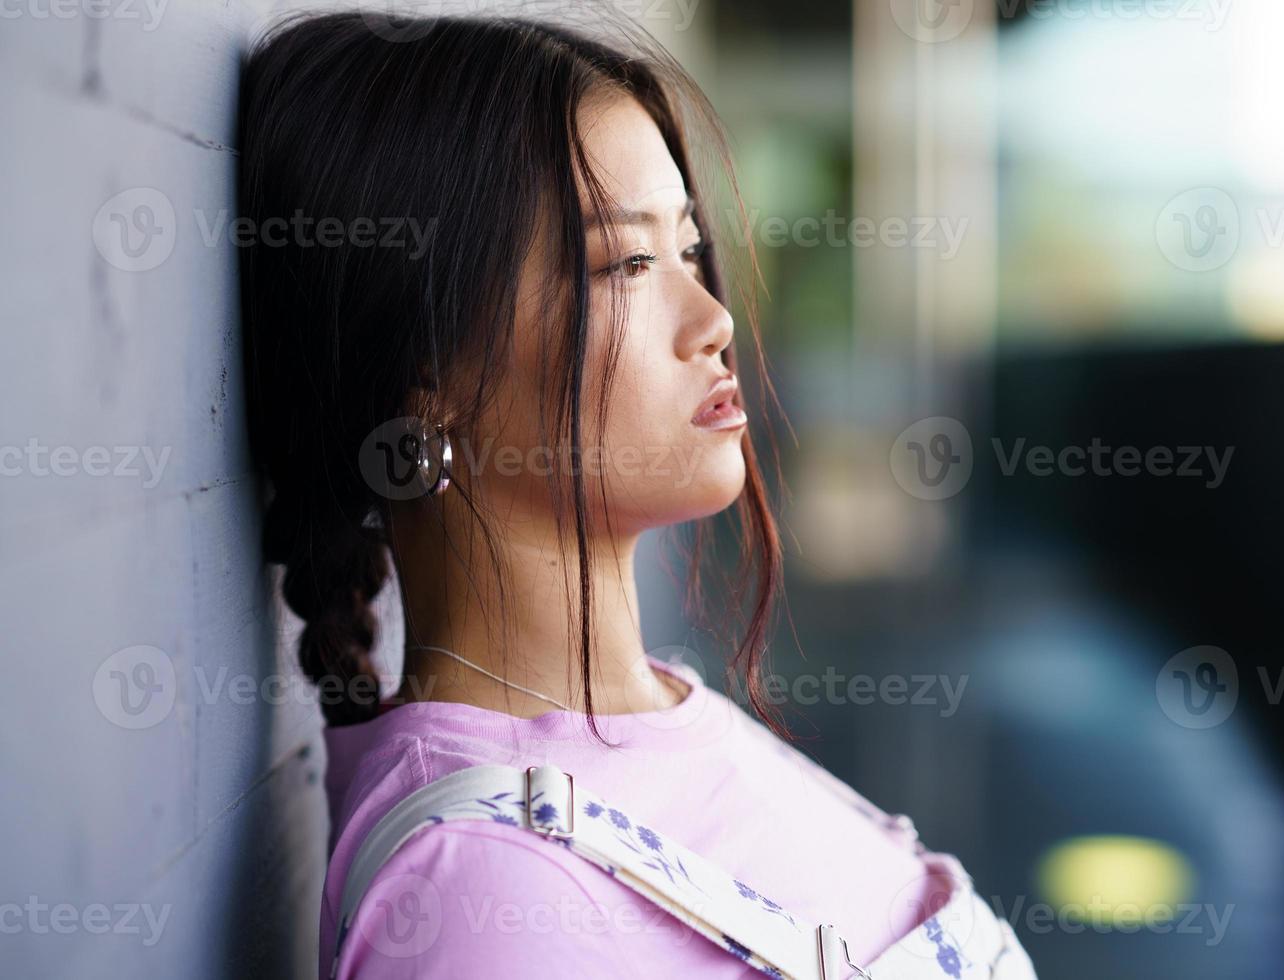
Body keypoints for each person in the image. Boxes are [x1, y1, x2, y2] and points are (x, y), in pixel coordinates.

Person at [238, 9, 1035, 978]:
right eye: (627, 263)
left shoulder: (670, 720)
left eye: (691, 251)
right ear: (425, 386)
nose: (713, 318)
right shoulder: (483, 903)